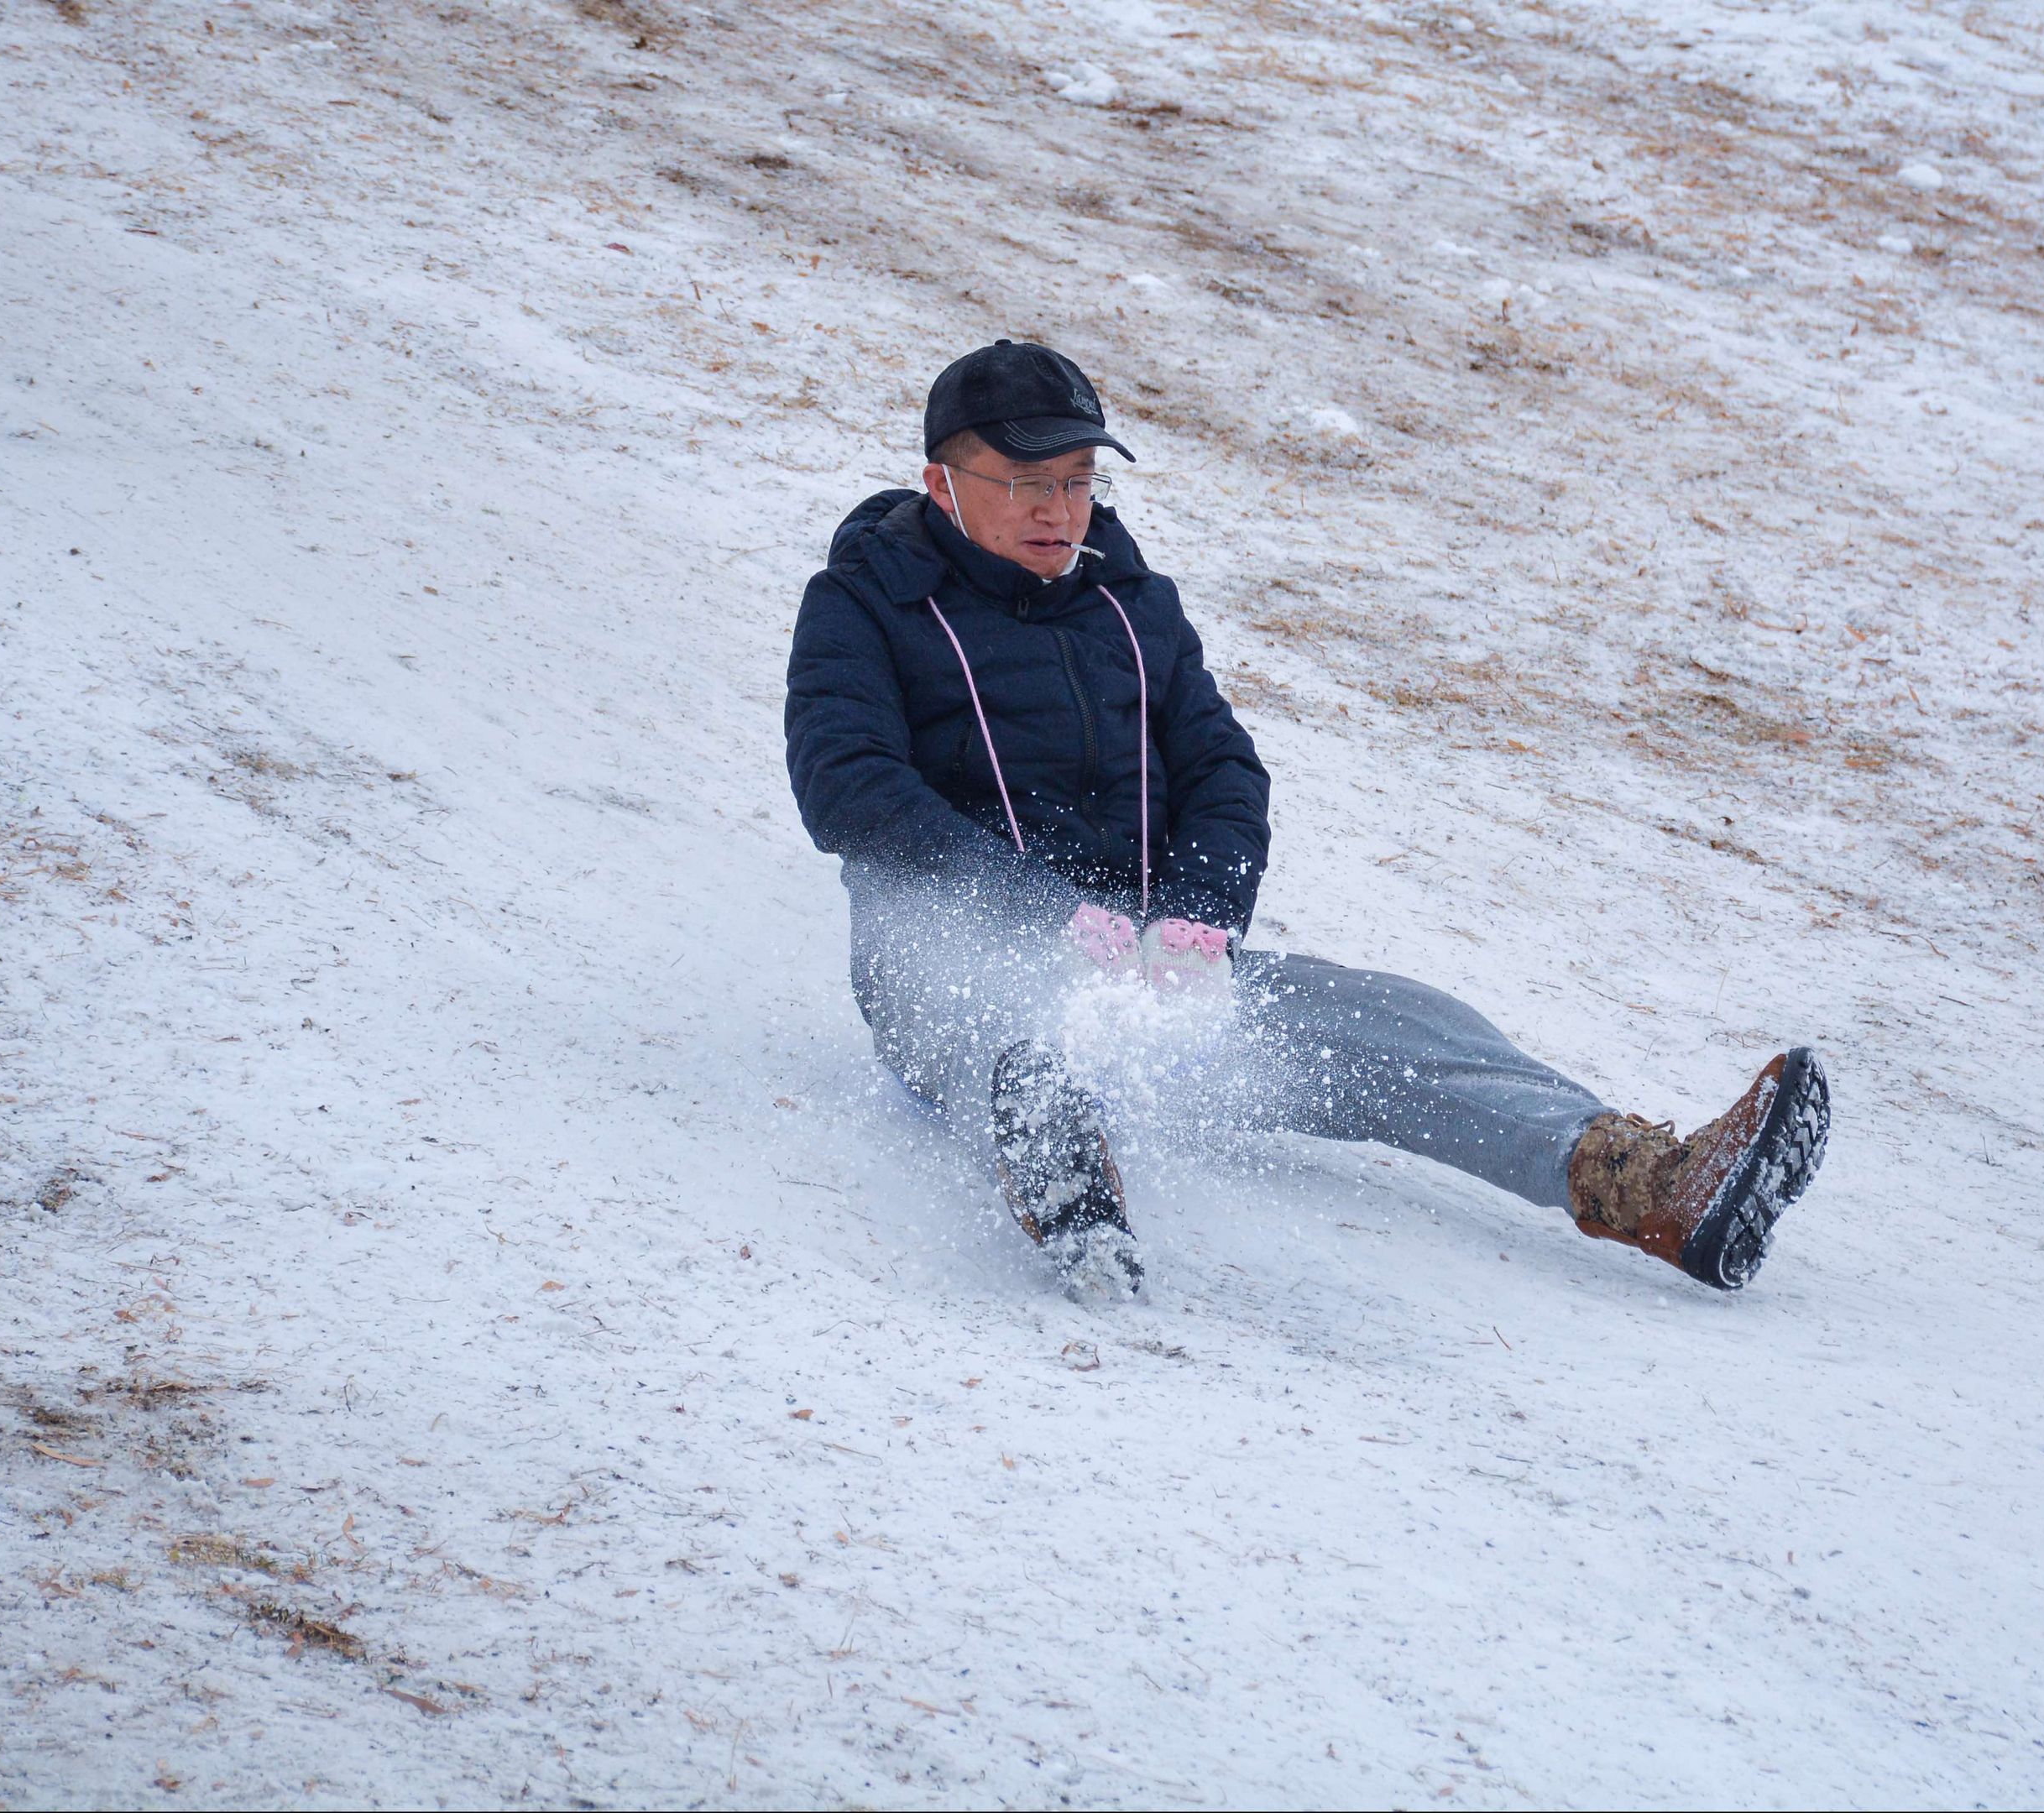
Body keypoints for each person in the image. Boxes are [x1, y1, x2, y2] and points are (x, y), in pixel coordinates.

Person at [784, 339, 1829, 1298]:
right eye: (1024, 484)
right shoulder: (862, 602)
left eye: (1077, 481)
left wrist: (1197, 918)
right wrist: (1043, 916)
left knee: (1402, 1026)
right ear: (940, 486)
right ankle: (1072, 1194)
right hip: (958, 959)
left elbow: (1223, 770)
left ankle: (1649, 1187)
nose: (1058, 509)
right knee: (1018, 1041)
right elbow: (852, 791)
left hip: (1151, 965)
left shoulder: (1128, 599)